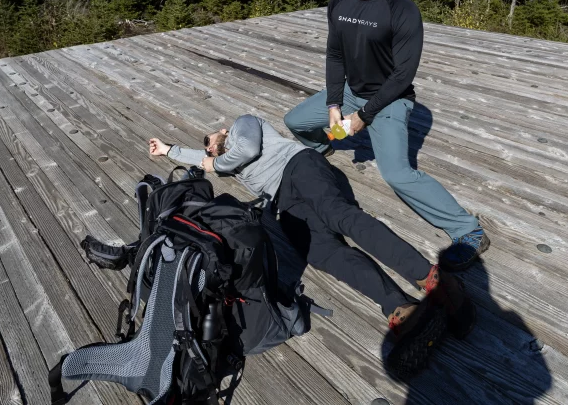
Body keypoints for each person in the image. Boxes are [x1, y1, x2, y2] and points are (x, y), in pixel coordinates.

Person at [148, 114, 475, 379]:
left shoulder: (241, 125)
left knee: (340, 216)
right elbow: (204, 160)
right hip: (281, 202)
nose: (209, 148)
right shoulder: (222, 160)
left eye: (209, 141)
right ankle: (400, 307)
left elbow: (245, 150)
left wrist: (212, 163)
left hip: (299, 166)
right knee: (323, 254)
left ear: (221, 130)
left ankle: (431, 279)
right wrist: (169, 150)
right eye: (207, 149)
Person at [284, 0, 489, 272]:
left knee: (397, 174)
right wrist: (335, 104)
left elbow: (403, 75)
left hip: (391, 99)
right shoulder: (339, 2)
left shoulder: (403, 10)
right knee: (295, 121)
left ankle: (468, 231)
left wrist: (364, 116)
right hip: (351, 91)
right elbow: (335, 55)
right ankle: (324, 150)